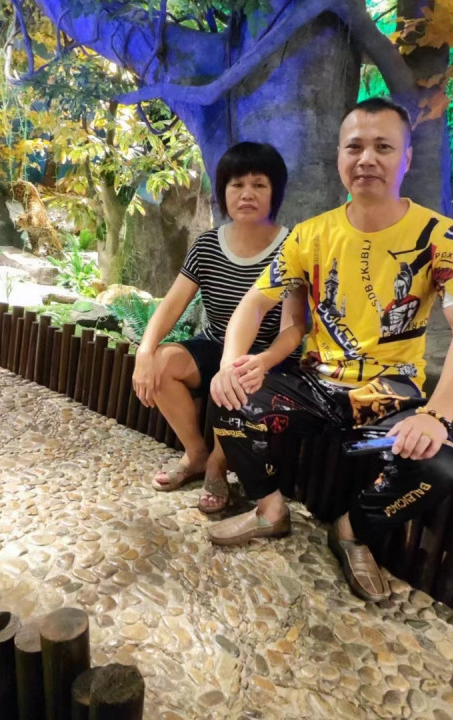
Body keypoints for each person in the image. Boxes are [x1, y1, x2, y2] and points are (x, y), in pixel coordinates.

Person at [208, 97, 453, 603]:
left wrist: (437, 416)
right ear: (339, 156)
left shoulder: (442, 237)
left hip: (389, 394)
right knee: (229, 399)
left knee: (438, 467)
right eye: (354, 147)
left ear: (406, 158)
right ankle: (270, 510)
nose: (367, 159)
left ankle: (351, 531)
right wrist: (231, 364)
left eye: (383, 147)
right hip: (315, 384)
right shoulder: (310, 235)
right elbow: (254, 303)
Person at [132, 141, 304, 514]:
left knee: (237, 377)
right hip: (216, 343)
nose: (247, 194)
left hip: (267, 358)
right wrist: (144, 351)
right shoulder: (208, 245)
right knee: (161, 363)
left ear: (275, 192)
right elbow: (172, 304)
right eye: (236, 184)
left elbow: (293, 328)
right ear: (223, 191)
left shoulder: (292, 248)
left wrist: (261, 361)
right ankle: (196, 453)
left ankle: (217, 464)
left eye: (259, 185)